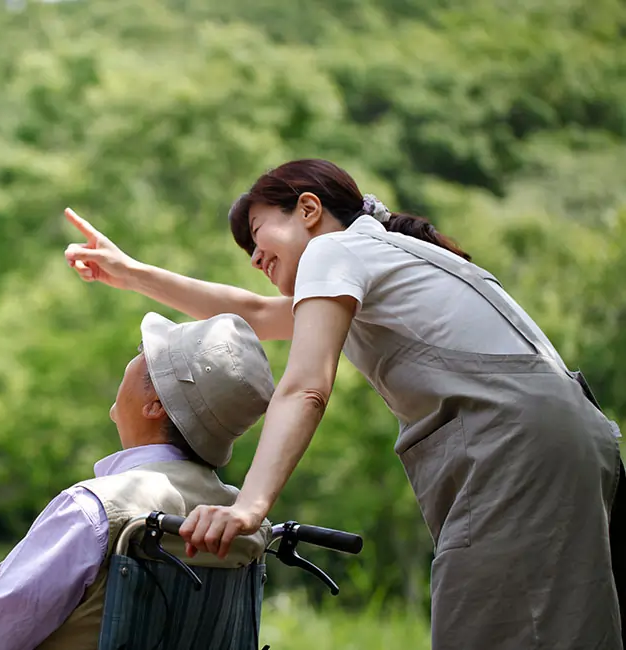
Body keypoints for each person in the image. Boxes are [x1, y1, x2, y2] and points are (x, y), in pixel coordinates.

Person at [64, 158, 625, 650]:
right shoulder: (377, 257)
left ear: (308, 209)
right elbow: (257, 314)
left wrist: (249, 507)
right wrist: (131, 273)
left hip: (517, 449)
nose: (255, 257)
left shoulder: (334, 250)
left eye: (259, 236)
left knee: (490, 626)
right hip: (569, 438)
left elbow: (307, 385)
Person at [0, 312, 275, 650]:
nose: (135, 357)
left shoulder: (96, 508)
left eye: (144, 354)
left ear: (155, 405)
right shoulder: (241, 520)